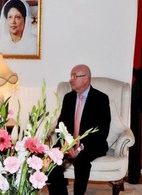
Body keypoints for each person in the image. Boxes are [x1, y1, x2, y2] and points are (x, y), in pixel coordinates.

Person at [47, 64, 111, 195]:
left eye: (75, 76)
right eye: (71, 76)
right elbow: (61, 125)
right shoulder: (68, 98)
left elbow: (102, 130)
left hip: (91, 145)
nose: (71, 79)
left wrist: (80, 147)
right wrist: (66, 144)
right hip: (68, 144)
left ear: (86, 78)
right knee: (51, 161)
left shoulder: (101, 99)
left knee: (81, 161)